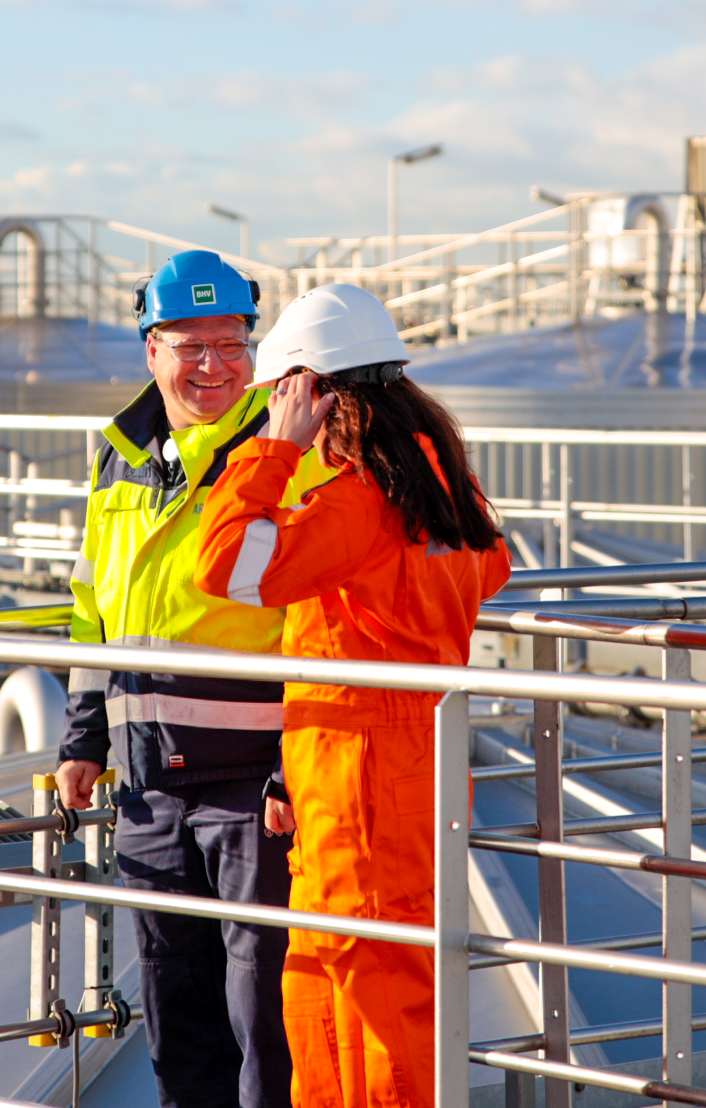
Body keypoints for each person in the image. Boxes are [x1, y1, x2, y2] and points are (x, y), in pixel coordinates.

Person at [196, 283, 512, 1108]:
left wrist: (272, 451)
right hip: (392, 772)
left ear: (315, 395)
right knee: (350, 990)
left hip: (360, 780)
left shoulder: (359, 502)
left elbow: (226, 564)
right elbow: (490, 569)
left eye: (282, 397)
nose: (274, 414)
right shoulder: (446, 494)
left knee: (364, 1004)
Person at [55, 250, 335, 1108]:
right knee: (177, 1019)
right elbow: (90, 609)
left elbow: (324, 622)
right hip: (146, 788)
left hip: (251, 788)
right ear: (150, 349)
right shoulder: (119, 460)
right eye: (191, 346)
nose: (214, 366)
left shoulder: (288, 453)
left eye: (232, 344)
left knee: (266, 1025)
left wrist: (297, 767)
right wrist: (84, 739)